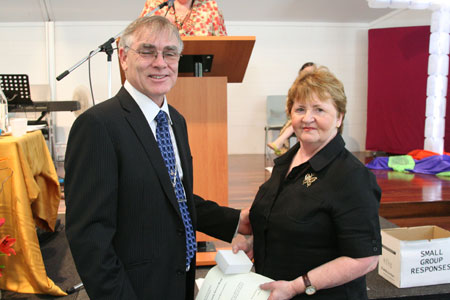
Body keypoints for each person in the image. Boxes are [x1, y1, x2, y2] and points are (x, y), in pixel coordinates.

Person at [64, 16, 250, 300]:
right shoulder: (98, 126)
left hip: (177, 277)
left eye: (170, 53)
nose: (160, 62)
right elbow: (90, 238)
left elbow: (174, 197)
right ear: (124, 57)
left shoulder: (176, 120)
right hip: (134, 287)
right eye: (148, 51)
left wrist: (236, 221)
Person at [234, 66, 381, 299]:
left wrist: (297, 286)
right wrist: (258, 243)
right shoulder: (286, 163)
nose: (307, 118)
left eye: (319, 109)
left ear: (339, 117)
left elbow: (364, 259)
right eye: (300, 109)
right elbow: (285, 221)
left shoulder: (352, 177)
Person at [268, 62, 316, 156]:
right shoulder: (294, 90)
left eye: (312, 72)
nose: (310, 75)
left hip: (314, 119)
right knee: (296, 122)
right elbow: (289, 109)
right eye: (306, 73)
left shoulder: (322, 90)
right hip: (295, 118)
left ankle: (279, 143)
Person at [140, 0, 227, 36]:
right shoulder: (155, 5)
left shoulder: (210, 6)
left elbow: (223, 46)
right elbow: (139, 36)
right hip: (160, 68)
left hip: (200, 70)